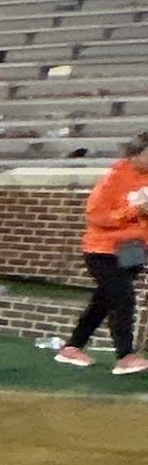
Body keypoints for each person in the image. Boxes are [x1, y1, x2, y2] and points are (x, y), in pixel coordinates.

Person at [56, 134, 148, 369]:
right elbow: (97, 216)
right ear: (135, 155)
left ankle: (72, 347)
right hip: (104, 250)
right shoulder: (113, 178)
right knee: (124, 299)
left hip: (134, 248)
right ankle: (125, 356)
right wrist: (134, 210)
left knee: (104, 300)